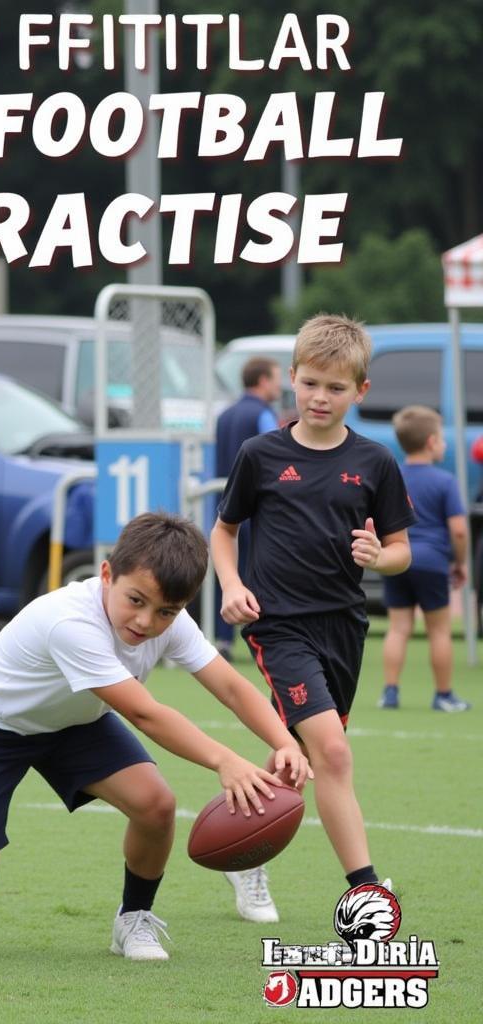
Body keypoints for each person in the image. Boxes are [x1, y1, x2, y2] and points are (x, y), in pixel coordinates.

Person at [0, 512, 311, 959]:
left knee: (155, 805)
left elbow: (229, 685)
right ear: (106, 575)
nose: (146, 622)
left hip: (73, 720)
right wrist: (225, 760)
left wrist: (284, 741)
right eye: (135, 601)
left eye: (165, 611)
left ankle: (133, 920)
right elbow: (145, 714)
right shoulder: (69, 623)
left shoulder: (170, 619)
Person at [211, 313, 415, 919]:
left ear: (361, 391)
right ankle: (366, 887)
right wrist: (231, 584)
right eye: (311, 384)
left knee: (298, 756)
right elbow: (224, 532)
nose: (321, 397)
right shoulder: (260, 455)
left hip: (345, 626)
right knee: (332, 752)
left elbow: (403, 552)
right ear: (291, 379)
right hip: (278, 627)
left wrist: (382, 558)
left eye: (336, 387)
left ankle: (246, 860)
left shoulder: (375, 461)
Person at [379, 406, 470, 712]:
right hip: (432, 562)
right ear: (432, 442)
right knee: (439, 630)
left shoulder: (391, 477)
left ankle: (390, 692)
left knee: (398, 628)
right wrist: (458, 563)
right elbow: (458, 531)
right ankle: (443, 695)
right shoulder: (445, 481)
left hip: (395, 559)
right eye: (442, 438)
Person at [213, 356, 283, 661]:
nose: (281, 385)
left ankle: (223, 637)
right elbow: (274, 456)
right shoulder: (264, 414)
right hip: (257, 508)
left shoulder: (224, 415)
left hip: (226, 505)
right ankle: (263, 636)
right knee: (258, 572)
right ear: (264, 380)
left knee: (227, 569)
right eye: (278, 378)